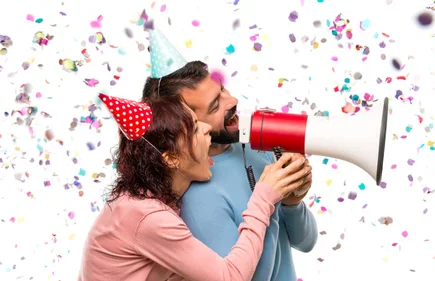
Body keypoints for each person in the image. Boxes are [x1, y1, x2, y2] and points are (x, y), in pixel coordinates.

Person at [78, 93, 311, 281]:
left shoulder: (149, 200)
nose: (207, 128)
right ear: (171, 159)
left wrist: (291, 203)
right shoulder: (147, 217)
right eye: (194, 128)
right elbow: (231, 277)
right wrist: (264, 198)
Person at [142, 60, 319, 281]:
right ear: (187, 124)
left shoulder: (253, 147)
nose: (233, 101)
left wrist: (292, 204)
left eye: (223, 89)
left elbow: (306, 243)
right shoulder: (197, 197)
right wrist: (267, 200)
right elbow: (244, 277)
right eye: (215, 106)